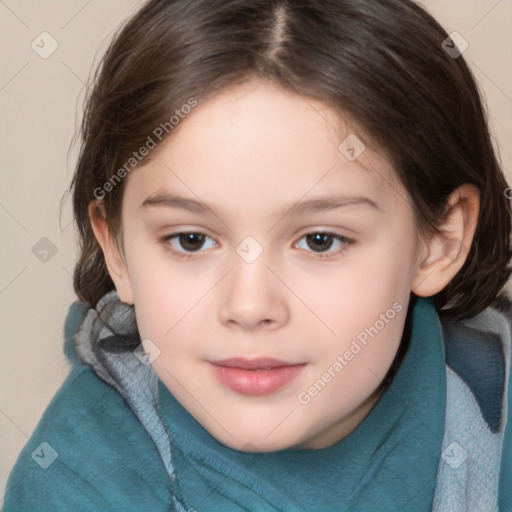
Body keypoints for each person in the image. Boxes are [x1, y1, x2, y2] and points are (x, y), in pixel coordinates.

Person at [3, 0, 512, 510]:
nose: (249, 306)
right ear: (116, 249)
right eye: (191, 240)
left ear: (440, 240)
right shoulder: (75, 479)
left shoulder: (495, 416)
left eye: (320, 240)